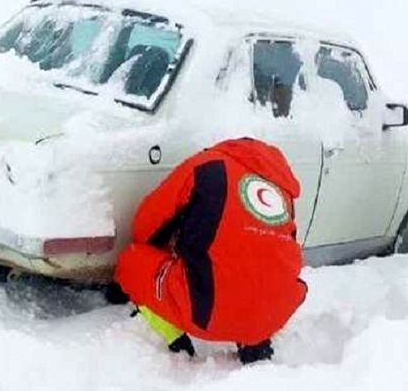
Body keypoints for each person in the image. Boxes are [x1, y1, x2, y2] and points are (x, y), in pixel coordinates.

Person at [114, 137, 307, 364]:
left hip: (204, 312)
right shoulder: (281, 191)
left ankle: (176, 341)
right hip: (275, 313)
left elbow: (147, 221)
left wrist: (159, 249)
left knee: (131, 261)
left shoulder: (206, 166)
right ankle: (255, 339)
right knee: (254, 278)